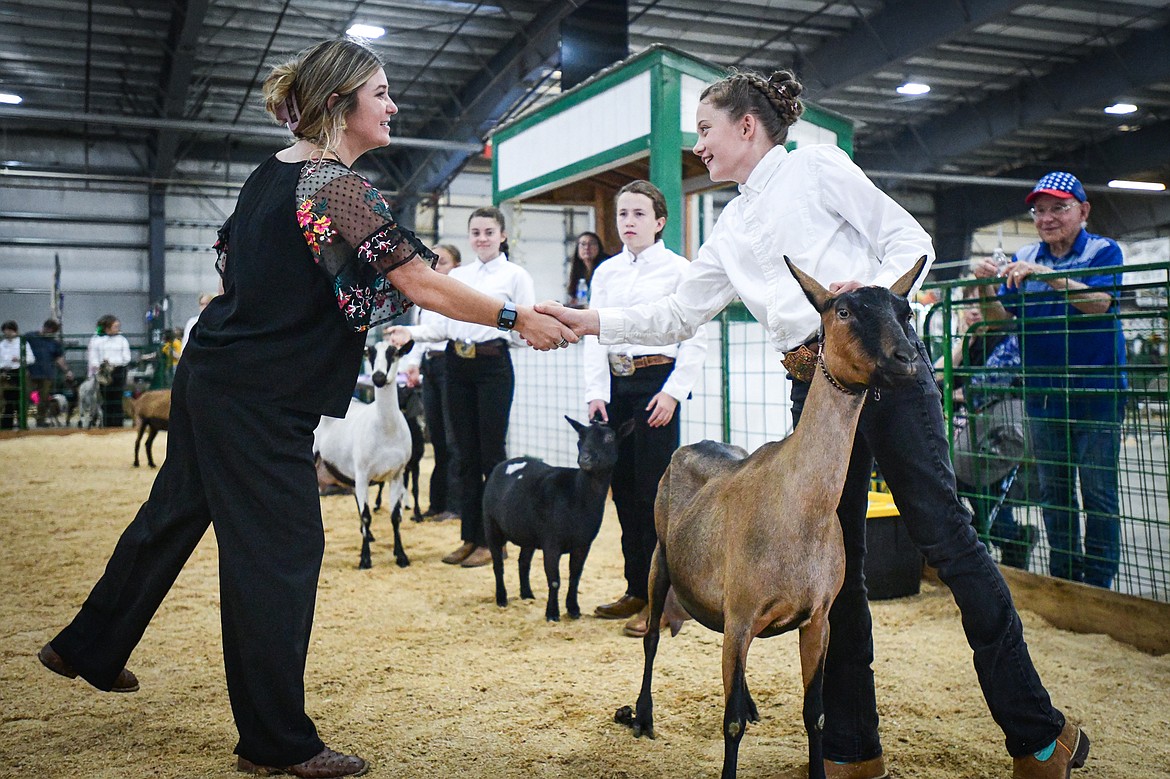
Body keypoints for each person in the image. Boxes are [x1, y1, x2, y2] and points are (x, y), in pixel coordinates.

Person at [37, 37, 574, 779]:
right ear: (338, 103)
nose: (393, 104)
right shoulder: (335, 185)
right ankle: (274, 740)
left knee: (173, 514)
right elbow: (418, 281)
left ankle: (87, 644)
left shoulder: (272, 174)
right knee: (280, 557)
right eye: (380, 92)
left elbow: (229, 277)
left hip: (215, 374)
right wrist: (518, 317)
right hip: (257, 397)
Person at [540, 69, 1087, 779]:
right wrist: (590, 319)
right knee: (841, 568)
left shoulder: (818, 167)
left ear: (746, 126)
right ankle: (854, 749)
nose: (698, 144)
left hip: (886, 374)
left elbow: (906, 241)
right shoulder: (729, 227)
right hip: (814, 393)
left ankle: (1039, 737)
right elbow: (678, 312)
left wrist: (867, 312)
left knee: (948, 537)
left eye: (705, 129)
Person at [973, 172, 1127, 590]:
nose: (1047, 217)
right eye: (1039, 210)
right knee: (1053, 494)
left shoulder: (1103, 251)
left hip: (1097, 393)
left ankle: (1097, 585)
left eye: (1058, 207)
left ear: (1083, 210)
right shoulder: (1024, 256)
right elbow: (998, 320)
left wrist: (1044, 274)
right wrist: (985, 287)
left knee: (1098, 493)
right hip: (1043, 397)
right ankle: (1064, 578)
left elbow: (1099, 303)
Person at [584, 181, 707, 637]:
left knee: (655, 497)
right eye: (622, 214)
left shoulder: (680, 270)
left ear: (659, 221)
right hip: (616, 388)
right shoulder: (606, 273)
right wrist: (596, 392)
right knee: (623, 491)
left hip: (657, 386)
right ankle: (637, 588)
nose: (628, 223)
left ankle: (665, 601)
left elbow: (696, 335)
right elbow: (595, 332)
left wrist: (674, 392)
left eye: (638, 214)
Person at [388, 206, 534, 569]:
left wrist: (500, 343)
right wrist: (411, 332)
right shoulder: (460, 275)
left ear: (502, 236)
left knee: (491, 455)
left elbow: (527, 321)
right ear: (469, 237)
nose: (482, 238)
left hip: (492, 365)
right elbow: (440, 325)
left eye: (488, 232)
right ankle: (470, 537)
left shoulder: (515, 275)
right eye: (476, 232)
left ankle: (494, 541)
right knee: (463, 455)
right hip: (455, 363)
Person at [938, 297, 1034, 569]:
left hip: (996, 432)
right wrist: (964, 343)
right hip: (962, 432)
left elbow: (989, 384)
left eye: (981, 306)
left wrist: (956, 393)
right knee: (971, 491)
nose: (974, 312)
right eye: (970, 306)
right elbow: (935, 374)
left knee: (984, 494)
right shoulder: (970, 343)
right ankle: (1011, 541)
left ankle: (1009, 540)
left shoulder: (1006, 340)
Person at [399, 243, 462, 521]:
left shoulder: (460, 295)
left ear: (456, 267)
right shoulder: (424, 298)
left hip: (452, 362)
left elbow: (439, 332)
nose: (436, 267)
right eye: (432, 262)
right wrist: (412, 365)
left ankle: (455, 504)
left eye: (443, 262)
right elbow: (419, 341)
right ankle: (437, 503)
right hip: (431, 366)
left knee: (453, 437)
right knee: (436, 437)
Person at [25, 319, 75, 427]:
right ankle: (22, 421)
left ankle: (40, 420)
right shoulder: (30, 337)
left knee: (43, 398)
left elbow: (59, 358)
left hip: (47, 374)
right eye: (49, 330)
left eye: (52, 332)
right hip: (30, 373)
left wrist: (67, 370)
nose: (50, 333)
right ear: (44, 327)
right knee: (26, 395)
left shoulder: (54, 343)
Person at [86, 314, 132, 427]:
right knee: (106, 398)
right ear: (107, 328)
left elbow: (127, 357)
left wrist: (116, 364)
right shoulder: (96, 340)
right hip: (103, 372)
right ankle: (107, 424)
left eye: (118, 326)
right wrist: (98, 366)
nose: (117, 328)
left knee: (117, 397)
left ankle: (118, 423)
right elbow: (93, 357)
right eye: (115, 326)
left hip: (118, 370)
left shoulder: (122, 340)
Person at [1, 320, 36, 430]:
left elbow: (31, 359)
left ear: (15, 331)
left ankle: (22, 424)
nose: (8, 333)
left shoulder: (22, 343)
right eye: (5, 331)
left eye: (10, 330)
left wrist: (20, 359)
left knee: (21, 400)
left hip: (19, 373)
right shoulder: (2, 345)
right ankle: (7, 426)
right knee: (8, 400)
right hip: (6, 374)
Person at [565, 231, 607, 306]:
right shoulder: (578, 269)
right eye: (583, 244)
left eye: (592, 244)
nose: (587, 247)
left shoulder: (607, 266)